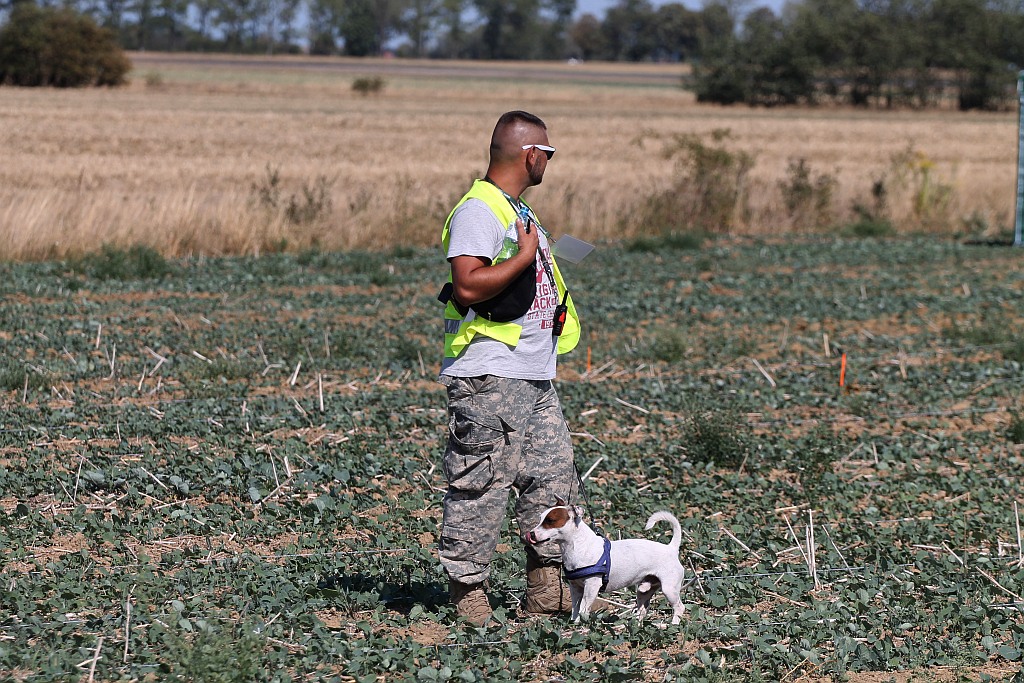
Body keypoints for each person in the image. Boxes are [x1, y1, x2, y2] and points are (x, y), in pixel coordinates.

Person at [437, 110, 583, 625]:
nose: (549, 160)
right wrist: (524, 259)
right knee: (483, 482)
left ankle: (548, 591)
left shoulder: (517, 208)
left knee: (553, 481)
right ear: (530, 154)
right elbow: (469, 285)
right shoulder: (480, 210)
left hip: (534, 373)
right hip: (490, 376)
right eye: (549, 151)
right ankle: (467, 594)